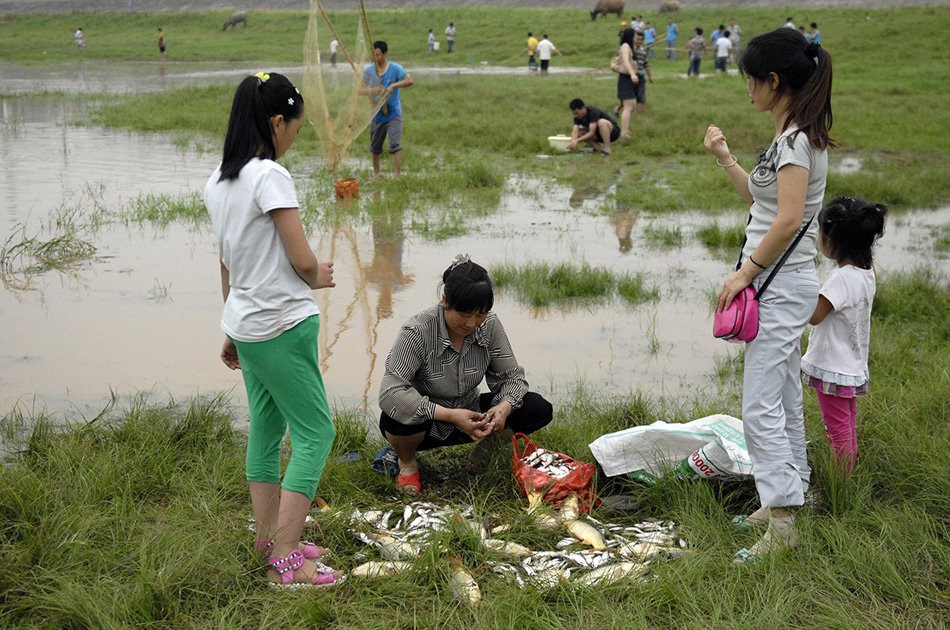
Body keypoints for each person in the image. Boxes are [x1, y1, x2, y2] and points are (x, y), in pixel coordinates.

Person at [204, 72, 342, 587]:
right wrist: (317, 275)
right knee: (316, 432)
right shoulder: (269, 176)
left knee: (265, 431)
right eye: (295, 130)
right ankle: (285, 557)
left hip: (247, 324)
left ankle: (268, 537)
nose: (292, 140)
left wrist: (231, 326)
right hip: (282, 324)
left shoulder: (218, 181)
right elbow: (302, 258)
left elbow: (226, 263)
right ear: (277, 121)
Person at [703, 29, 835, 563]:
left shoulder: (799, 141)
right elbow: (763, 201)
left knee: (759, 406)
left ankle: (783, 523)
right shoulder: (787, 139)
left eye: (751, 81)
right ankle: (791, 490)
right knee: (781, 395)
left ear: (774, 81)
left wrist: (743, 275)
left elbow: (786, 220)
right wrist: (725, 157)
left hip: (779, 288)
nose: (748, 92)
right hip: (776, 285)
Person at [377, 256, 554, 493]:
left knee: (536, 407)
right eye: (464, 313)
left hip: (471, 415)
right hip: (427, 424)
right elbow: (390, 392)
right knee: (394, 415)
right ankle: (408, 463)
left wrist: (504, 407)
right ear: (445, 300)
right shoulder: (417, 331)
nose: (472, 323)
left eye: (480, 314)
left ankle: (486, 450)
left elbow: (512, 378)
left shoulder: (489, 325)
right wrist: (450, 415)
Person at [801, 197, 886, 475]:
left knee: (837, 431)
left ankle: (840, 484)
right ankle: (846, 473)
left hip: (832, 368)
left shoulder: (840, 278)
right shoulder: (867, 271)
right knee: (847, 425)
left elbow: (815, 315)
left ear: (835, 239)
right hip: (851, 366)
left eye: (821, 232)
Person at [362, 41, 414, 178]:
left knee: (395, 144)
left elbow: (409, 81)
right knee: (375, 147)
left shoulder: (395, 69)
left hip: (393, 114)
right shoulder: (368, 71)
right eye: (373, 55)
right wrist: (373, 90)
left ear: (384, 54)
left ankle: (397, 176)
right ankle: (376, 174)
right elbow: (359, 90)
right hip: (376, 114)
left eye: (378, 55)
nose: (375, 58)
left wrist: (393, 86)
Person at [615, 28, 639, 138]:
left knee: (633, 104)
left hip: (629, 78)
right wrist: (632, 74)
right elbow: (625, 60)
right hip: (626, 78)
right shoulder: (625, 46)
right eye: (634, 36)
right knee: (628, 106)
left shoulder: (630, 47)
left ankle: (626, 129)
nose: (636, 38)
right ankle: (624, 132)